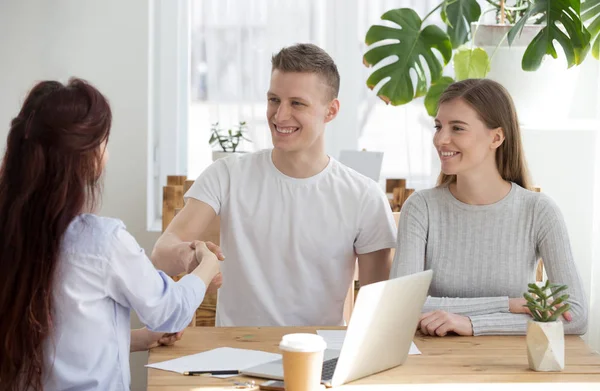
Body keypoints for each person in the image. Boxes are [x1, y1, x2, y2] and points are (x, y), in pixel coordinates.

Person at [0, 79, 221, 391]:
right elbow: (171, 310)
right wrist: (205, 266)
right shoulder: (101, 242)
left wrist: (138, 339)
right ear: (87, 157)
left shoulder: (10, 231)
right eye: (104, 141)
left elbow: (51, 339)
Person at [152, 43, 397, 327]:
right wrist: (190, 257)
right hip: (235, 358)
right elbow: (161, 254)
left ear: (331, 111)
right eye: (273, 100)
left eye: (297, 103)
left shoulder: (364, 196)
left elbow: (376, 314)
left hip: (317, 358)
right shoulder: (227, 175)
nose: (279, 116)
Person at [391, 79, 588, 336]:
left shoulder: (539, 211)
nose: (441, 139)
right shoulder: (421, 207)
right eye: (438, 127)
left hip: (515, 365)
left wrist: (472, 324)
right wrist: (507, 305)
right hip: (436, 362)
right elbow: (399, 306)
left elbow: (576, 316)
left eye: (457, 128)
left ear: (496, 137)